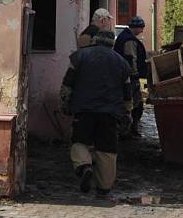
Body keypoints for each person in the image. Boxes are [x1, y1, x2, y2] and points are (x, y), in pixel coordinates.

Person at [60, 30, 132, 195]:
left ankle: (84, 166)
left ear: (94, 40)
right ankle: (104, 186)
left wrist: (64, 102)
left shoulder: (80, 56)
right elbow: (127, 92)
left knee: (79, 142)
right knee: (107, 150)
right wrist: (127, 113)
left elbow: (67, 83)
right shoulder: (122, 63)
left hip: (83, 109)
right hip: (110, 112)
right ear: (112, 43)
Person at [113, 16, 147, 137]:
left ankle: (130, 130)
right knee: (132, 104)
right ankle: (126, 131)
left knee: (135, 104)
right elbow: (131, 58)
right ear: (136, 28)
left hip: (125, 76)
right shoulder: (129, 40)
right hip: (129, 78)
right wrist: (135, 75)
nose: (142, 30)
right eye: (141, 28)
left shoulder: (125, 37)